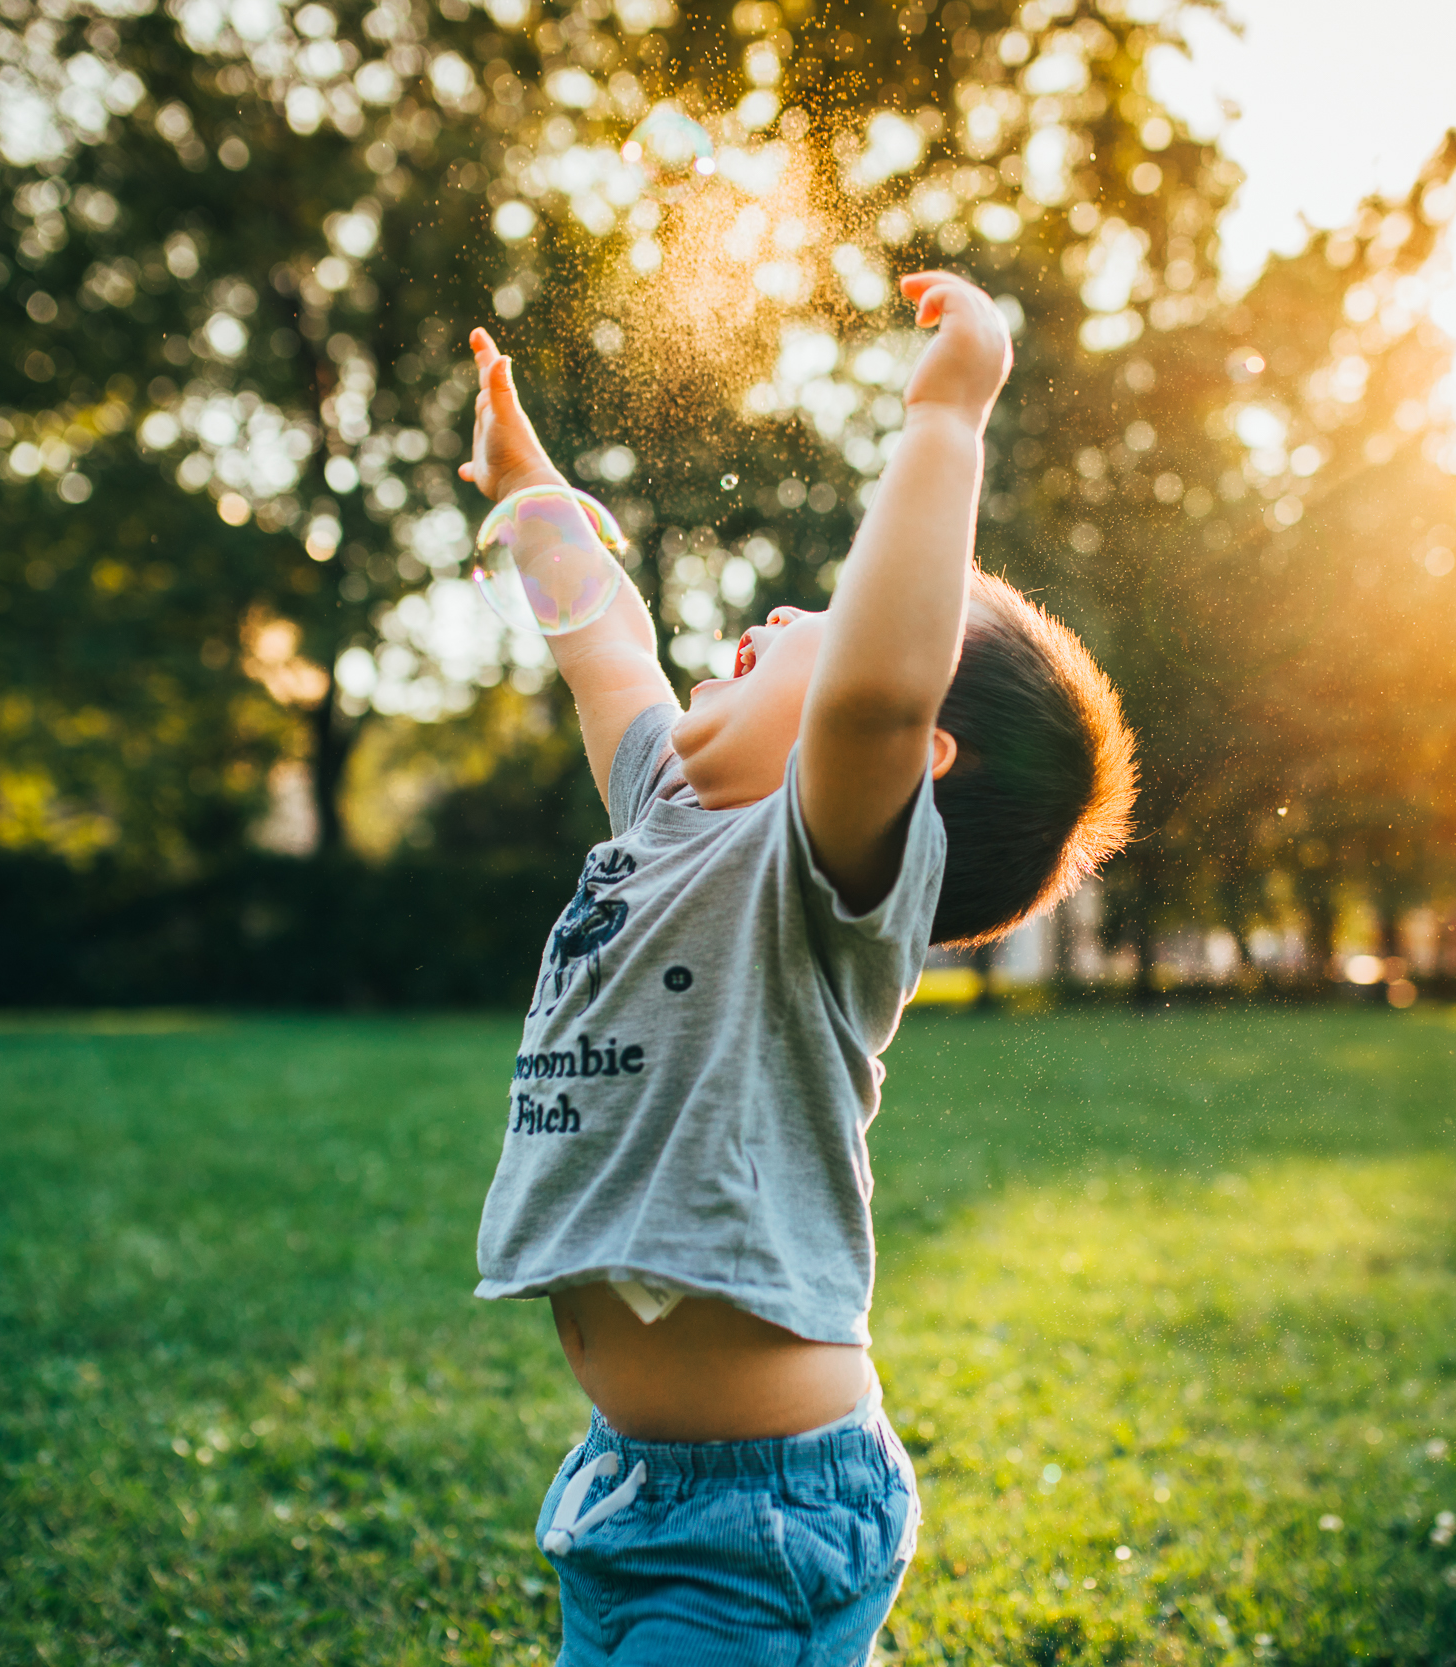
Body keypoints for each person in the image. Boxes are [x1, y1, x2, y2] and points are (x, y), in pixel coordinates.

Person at [462, 270, 1136, 1662]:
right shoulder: (672, 810)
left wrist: (949, 412)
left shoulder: (826, 876)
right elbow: (607, 648)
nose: (768, 617)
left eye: (816, 624)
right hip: (632, 1489)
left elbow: (884, 688)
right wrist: (533, 496)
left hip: (757, 1520)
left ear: (906, 756)